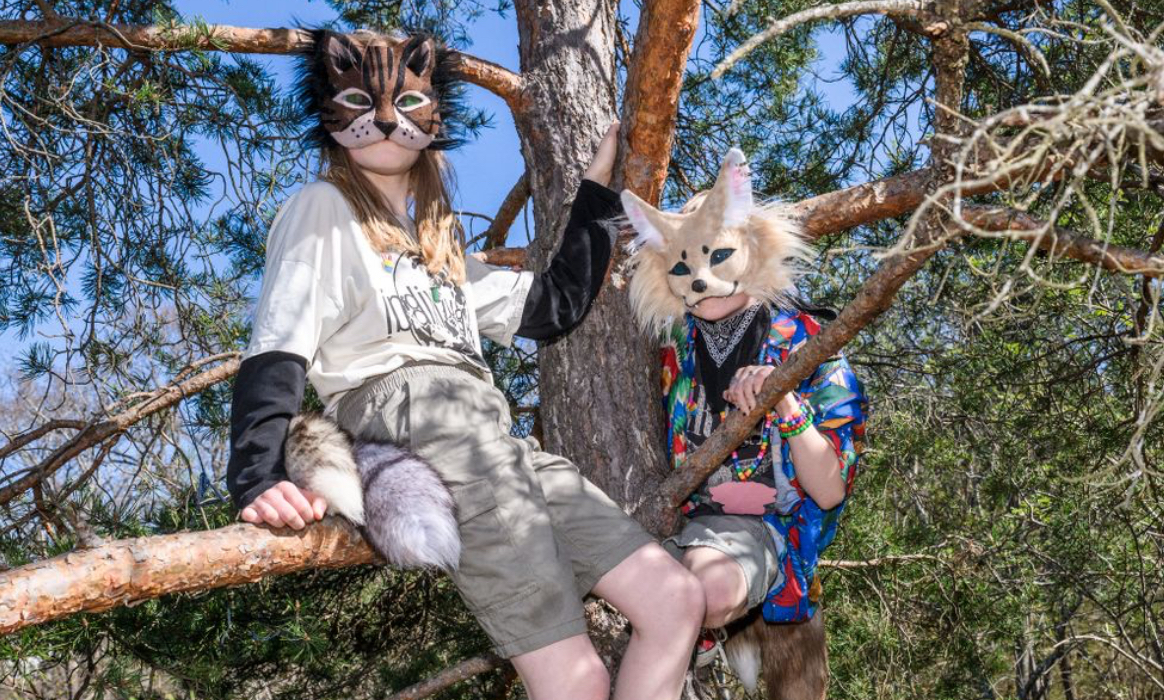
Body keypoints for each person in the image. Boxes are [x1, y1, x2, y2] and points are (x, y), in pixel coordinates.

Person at [225, 28, 705, 700]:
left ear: (434, 117)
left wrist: (597, 194)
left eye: (408, 102)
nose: (385, 119)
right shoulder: (322, 209)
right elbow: (280, 341)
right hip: (414, 412)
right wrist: (256, 475)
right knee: (575, 679)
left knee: (675, 600)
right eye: (360, 101)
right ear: (330, 115)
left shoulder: (437, 246)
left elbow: (553, 306)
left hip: (489, 432)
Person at [619, 147, 868, 695]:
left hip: (766, 537)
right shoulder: (670, 353)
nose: (700, 278)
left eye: (718, 257)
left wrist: (784, 402)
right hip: (675, 525)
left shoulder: (811, 344)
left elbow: (828, 490)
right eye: (682, 266)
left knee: (699, 595)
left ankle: (696, 631)